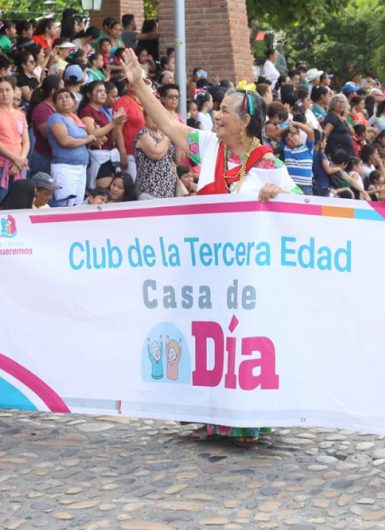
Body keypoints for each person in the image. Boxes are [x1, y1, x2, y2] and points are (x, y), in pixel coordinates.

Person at [121, 48, 297, 442]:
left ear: (245, 121)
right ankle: (206, 410)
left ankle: (245, 418)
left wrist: (280, 195)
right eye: (217, 109)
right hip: (204, 269)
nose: (216, 115)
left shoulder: (268, 165)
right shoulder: (209, 146)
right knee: (206, 339)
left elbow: (301, 210)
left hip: (245, 276)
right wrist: (139, 86)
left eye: (225, 111)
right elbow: (167, 123)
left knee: (239, 340)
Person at [47, 89, 98, 206]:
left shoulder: (75, 118)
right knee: (66, 204)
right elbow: (64, 141)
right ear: (54, 105)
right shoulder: (55, 118)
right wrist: (87, 139)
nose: (64, 100)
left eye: (67, 97)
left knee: (77, 204)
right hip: (65, 168)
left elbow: (80, 139)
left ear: (74, 101)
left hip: (81, 167)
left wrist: (92, 141)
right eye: (59, 98)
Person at [0, 77, 30, 208]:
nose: (4, 93)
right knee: (0, 203)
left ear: (14, 91)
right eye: (0, 90)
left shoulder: (20, 114)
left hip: (19, 165)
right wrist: (16, 159)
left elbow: (26, 141)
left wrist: (20, 160)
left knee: (19, 204)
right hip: (2, 165)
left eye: (7, 90)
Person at [27, 75, 64, 177]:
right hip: (43, 158)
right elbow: (47, 133)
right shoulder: (41, 109)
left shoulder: (58, 107)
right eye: (62, 88)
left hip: (54, 157)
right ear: (53, 91)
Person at [134, 112, 177, 199]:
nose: (155, 119)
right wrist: (168, 134)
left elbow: (178, 159)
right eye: (152, 116)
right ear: (145, 118)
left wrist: (178, 136)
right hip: (150, 190)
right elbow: (156, 153)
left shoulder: (163, 136)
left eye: (158, 116)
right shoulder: (143, 134)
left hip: (168, 191)